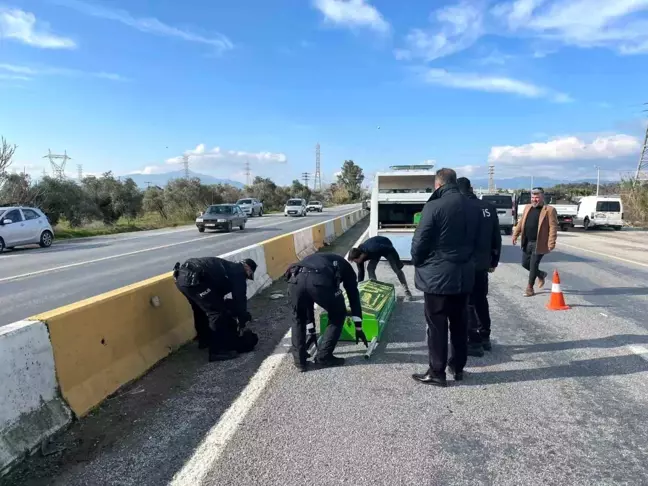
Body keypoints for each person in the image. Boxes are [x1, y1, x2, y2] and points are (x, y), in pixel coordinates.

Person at [410, 168, 481, 387]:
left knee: (437, 325)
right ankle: (457, 367)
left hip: (438, 278)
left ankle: (437, 372)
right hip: (465, 276)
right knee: (460, 323)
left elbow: (419, 243)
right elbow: (480, 242)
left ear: (438, 184)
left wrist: (420, 262)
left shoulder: (434, 206)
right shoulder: (474, 206)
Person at [285, 252, 365, 372]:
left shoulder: (312, 259)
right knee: (338, 314)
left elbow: (308, 303)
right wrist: (358, 326)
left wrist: (311, 331)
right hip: (318, 280)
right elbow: (353, 296)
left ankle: (299, 361)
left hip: (295, 280)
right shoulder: (347, 268)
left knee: (298, 318)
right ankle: (324, 357)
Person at [173, 257, 258, 362]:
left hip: (182, 279)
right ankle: (217, 351)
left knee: (201, 309)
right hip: (196, 280)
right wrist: (242, 320)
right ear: (247, 268)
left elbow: (217, 296)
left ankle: (205, 340)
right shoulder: (239, 271)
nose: (246, 278)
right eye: (249, 275)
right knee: (216, 313)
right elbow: (240, 299)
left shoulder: (227, 268)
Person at [457, 177, 502, 357]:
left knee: (467, 303)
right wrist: (494, 261)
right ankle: (485, 336)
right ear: (472, 188)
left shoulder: (460, 208)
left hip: (464, 264)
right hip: (482, 264)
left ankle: (473, 339)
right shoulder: (488, 208)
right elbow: (496, 237)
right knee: (481, 300)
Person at [512, 187, 559, 297]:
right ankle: (541, 274)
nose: (534, 199)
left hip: (540, 242)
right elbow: (521, 222)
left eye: (537, 197)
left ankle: (530, 288)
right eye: (533, 197)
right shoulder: (527, 207)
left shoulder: (549, 210)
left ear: (542, 197)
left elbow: (553, 227)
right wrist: (515, 234)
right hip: (527, 241)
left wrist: (551, 242)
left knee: (533, 264)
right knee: (525, 264)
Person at [347, 235, 413, 299]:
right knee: (370, 268)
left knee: (397, 270)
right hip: (375, 253)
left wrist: (398, 263)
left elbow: (391, 249)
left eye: (355, 261)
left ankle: (406, 290)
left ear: (360, 255)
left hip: (386, 247)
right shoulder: (359, 258)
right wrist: (358, 288)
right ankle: (375, 289)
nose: (356, 263)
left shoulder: (373, 248)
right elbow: (361, 272)